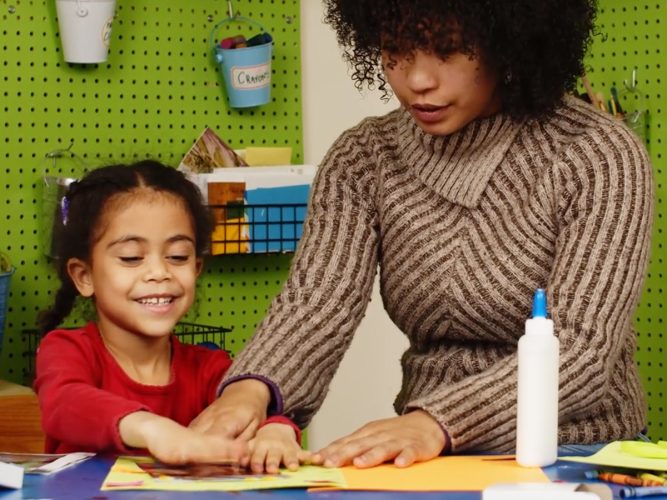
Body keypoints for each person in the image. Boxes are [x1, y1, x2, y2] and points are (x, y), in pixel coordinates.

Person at [190, 0, 654, 469]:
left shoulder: (598, 156)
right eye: (396, 50)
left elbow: (582, 351)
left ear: (509, 42)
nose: (416, 80)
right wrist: (251, 391)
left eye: (448, 50)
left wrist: (437, 421)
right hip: (426, 452)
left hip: (581, 450)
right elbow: (316, 304)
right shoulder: (364, 158)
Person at [34, 160, 309, 472]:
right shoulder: (66, 350)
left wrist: (278, 430)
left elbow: (250, 412)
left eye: (178, 256)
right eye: (131, 257)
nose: (159, 272)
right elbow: (64, 403)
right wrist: (154, 430)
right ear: (84, 276)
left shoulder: (210, 368)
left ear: (196, 268)